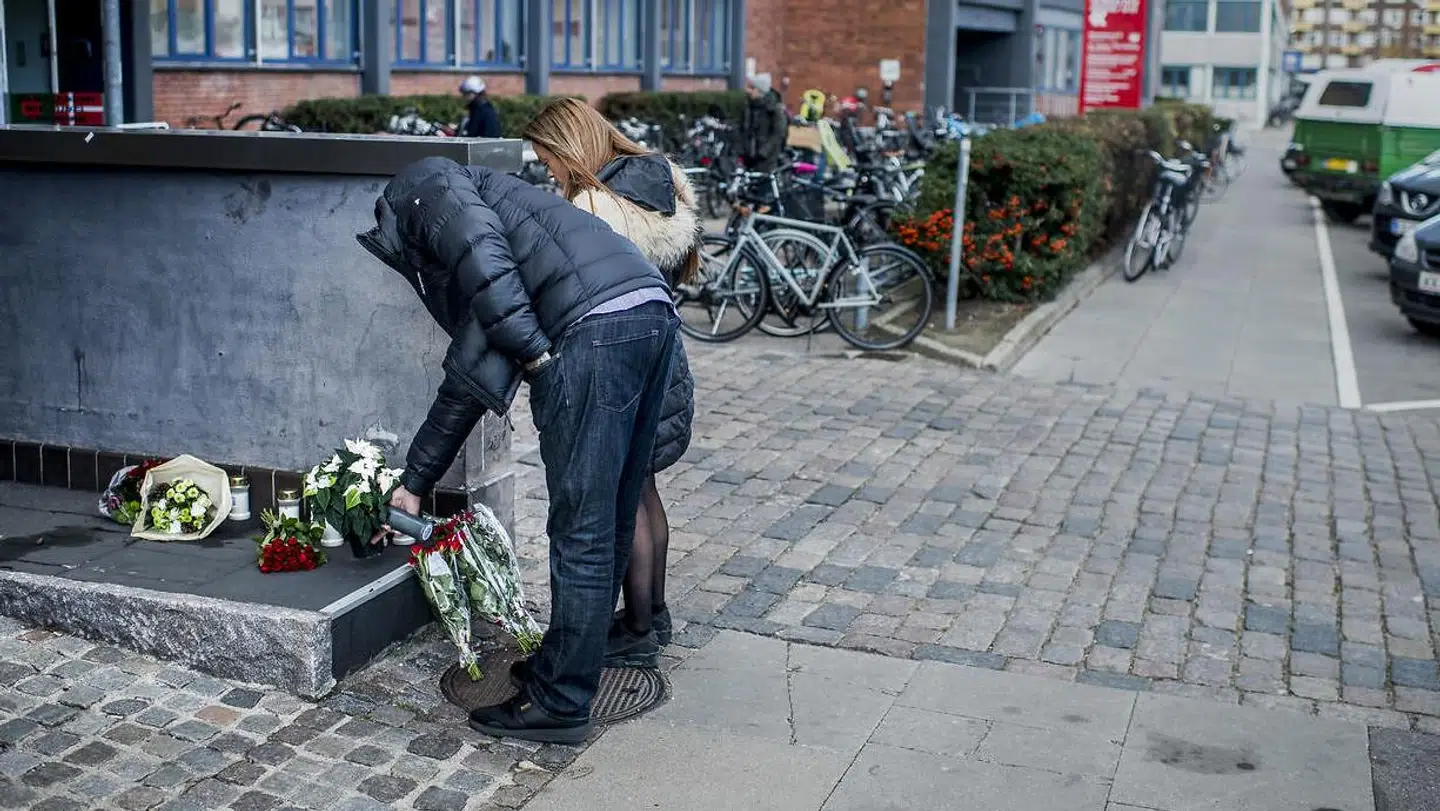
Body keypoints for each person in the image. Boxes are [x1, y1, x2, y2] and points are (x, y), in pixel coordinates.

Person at [356, 153, 678, 744]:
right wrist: (416, 482)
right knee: (607, 516)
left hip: (594, 328)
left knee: (582, 529)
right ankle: (565, 666)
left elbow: (486, 268)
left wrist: (537, 356)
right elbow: (470, 374)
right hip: (648, 310)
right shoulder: (510, 218)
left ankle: (561, 704)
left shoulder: (425, 184)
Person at [521, 98, 700, 670]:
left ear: (568, 146)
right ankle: (654, 613)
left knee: (631, 494)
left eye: (548, 158)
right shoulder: (659, 179)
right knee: (644, 489)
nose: (550, 171)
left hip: (622, 361)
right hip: (664, 349)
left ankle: (639, 629)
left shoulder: (596, 206)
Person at [740, 73, 788, 173]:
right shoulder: (749, 106)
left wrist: (764, 152)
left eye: (752, 88)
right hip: (750, 157)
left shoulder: (774, 109)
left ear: (760, 91)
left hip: (767, 159)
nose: (748, 91)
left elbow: (778, 133)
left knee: (764, 181)